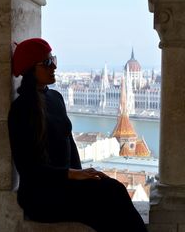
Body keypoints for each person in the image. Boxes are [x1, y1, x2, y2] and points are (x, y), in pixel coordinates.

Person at [8, 37, 148, 232]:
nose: (54, 66)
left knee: (114, 189)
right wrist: (74, 174)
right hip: (41, 196)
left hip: (66, 185)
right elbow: (29, 170)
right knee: (109, 201)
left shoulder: (55, 97)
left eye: (54, 59)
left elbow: (69, 143)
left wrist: (84, 176)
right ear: (32, 70)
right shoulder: (21, 109)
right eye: (48, 62)